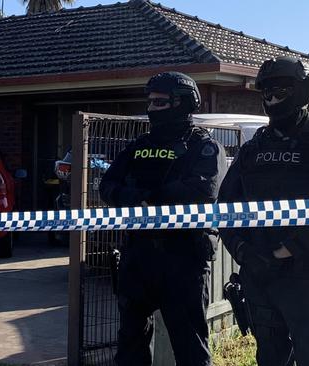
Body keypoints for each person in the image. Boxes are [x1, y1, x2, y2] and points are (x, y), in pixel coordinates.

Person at [99, 71, 227, 366]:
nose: (151, 108)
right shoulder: (137, 146)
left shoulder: (204, 147)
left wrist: (150, 197)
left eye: (159, 102)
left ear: (181, 103)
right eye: (150, 102)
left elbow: (203, 190)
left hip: (182, 258)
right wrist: (134, 198)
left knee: (190, 346)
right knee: (130, 343)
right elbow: (108, 185)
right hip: (138, 257)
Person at [218, 56, 309, 366]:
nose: (271, 99)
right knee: (269, 357)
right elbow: (225, 208)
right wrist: (242, 251)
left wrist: (288, 250)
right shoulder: (252, 150)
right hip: (259, 275)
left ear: (303, 92)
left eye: (281, 91)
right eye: (266, 92)